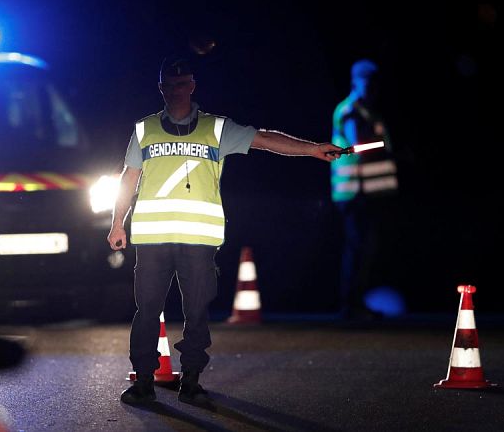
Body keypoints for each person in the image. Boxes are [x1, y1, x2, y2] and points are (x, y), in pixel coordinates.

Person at [107, 56, 344, 405]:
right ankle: (143, 381)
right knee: (147, 311)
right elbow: (128, 179)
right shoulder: (144, 129)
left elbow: (264, 139)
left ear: (192, 86)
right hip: (153, 238)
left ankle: (191, 381)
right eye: (168, 85)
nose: (175, 90)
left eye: (182, 83)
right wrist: (117, 223)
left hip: (199, 238)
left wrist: (312, 149)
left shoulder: (216, 128)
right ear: (160, 89)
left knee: (197, 312)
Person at [330, 59, 399, 320]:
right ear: (356, 82)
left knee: (366, 249)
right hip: (354, 192)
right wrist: (386, 147)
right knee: (358, 248)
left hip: (367, 193)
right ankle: (350, 305)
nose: (372, 88)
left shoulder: (367, 110)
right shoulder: (350, 111)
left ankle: (355, 302)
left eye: (374, 83)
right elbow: (358, 144)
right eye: (367, 82)